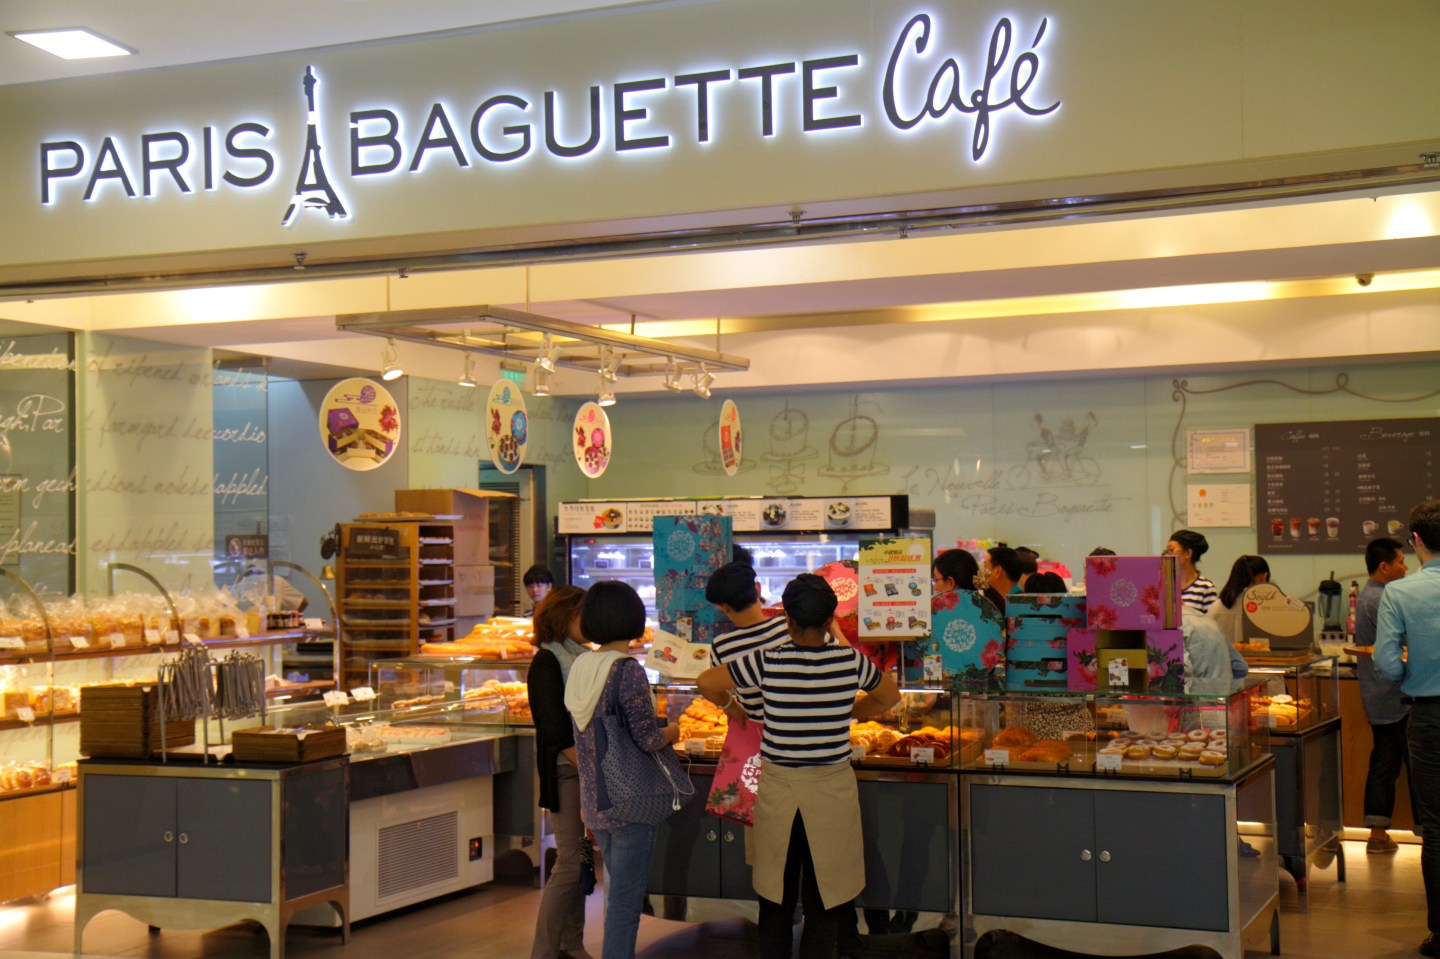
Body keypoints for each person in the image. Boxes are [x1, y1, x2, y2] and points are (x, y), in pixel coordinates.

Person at [697, 575, 901, 959]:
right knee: (826, 897)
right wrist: (849, 712)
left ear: (786, 617)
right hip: (832, 790)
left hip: (780, 791)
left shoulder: (765, 661)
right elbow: (889, 696)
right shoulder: (851, 661)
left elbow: (706, 681)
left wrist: (734, 708)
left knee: (776, 895)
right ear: (830, 621)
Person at [564, 582, 681, 959]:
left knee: (617, 897)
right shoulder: (626, 670)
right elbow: (647, 739)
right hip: (632, 801)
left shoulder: (582, 665)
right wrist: (674, 731)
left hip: (597, 800)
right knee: (626, 906)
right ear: (633, 618)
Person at [1375, 501, 1440, 959]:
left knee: (1436, 827)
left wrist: (1408, 672)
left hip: (1429, 715)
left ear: (1415, 541)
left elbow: (1383, 661)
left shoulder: (1400, 593)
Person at [527, 586, 594, 959]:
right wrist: (589, 764)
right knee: (569, 861)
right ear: (565, 616)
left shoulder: (581, 655)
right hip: (566, 770)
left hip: (580, 768)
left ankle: (572, 943)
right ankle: (544, 951)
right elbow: (553, 729)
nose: (591, 622)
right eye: (584, 613)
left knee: (580, 857)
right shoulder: (548, 662)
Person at [1352, 536, 1414, 854]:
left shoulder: (1373, 596)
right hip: (1391, 694)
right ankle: (1425, 832)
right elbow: (1400, 643)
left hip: (1379, 694)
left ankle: (1378, 832)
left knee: (1386, 761)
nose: (1406, 567)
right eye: (1401, 562)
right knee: (1408, 763)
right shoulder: (1379, 599)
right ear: (1384, 566)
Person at [705, 562, 791, 718]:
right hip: (795, 724)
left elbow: (717, 687)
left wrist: (730, 706)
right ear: (758, 589)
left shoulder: (721, 646)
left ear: (724, 607)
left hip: (754, 730)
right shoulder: (789, 627)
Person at [1207, 555, 1271, 646]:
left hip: (1222, 659)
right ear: (1264, 577)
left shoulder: (1216, 607)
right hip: (1259, 659)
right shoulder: (1268, 608)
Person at [1166, 529, 1217, 613]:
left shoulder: (1206, 588)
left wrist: (1184, 610)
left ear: (1188, 553)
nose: (1167, 556)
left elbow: (1210, 624)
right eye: (1167, 551)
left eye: (1171, 550)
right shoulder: (1164, 585)